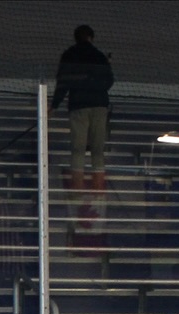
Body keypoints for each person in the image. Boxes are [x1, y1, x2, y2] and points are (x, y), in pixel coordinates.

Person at [51, 24, 114, 190]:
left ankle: (77, 188)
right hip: (99, 105)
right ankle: (98, 187)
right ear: (91, 38)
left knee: (78, 149)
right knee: (97, 150)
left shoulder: (69, 55)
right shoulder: (99, 56)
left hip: (78, 105)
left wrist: (54, 105)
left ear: (75, 38)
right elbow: (109, 81)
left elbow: (62, 83)